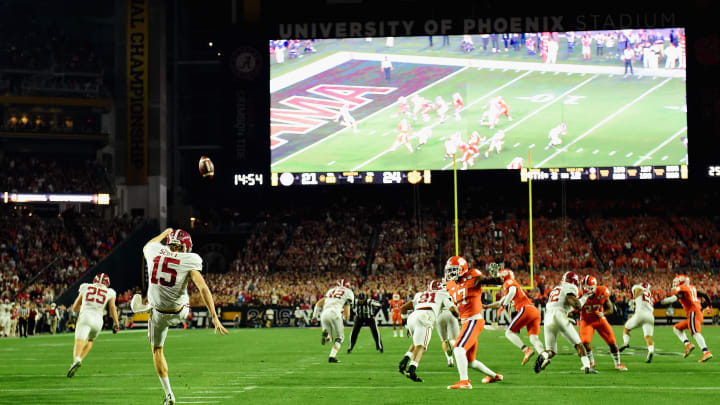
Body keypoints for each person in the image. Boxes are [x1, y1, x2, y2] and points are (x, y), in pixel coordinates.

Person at [131, 228, 229, 405]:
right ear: (186, 247)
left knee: (157, 350)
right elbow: (203, 288)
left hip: (159, 315)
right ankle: (148, 306)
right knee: (181, 293)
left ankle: (169, 394)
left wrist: (164, 233)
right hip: (180, 311)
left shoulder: (154, 251)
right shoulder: (190, 259)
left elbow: (148, 245)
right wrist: (214, 315)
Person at [444, 256, 503, 389]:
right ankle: (495, 376)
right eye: (449, 270)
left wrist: (495, 276)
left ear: (463, 269)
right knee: (470, 361)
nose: (451, 273)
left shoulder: (472, 275)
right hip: (466, 322)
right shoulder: (450, 285)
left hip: (474, 320)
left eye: (454, 270)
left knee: (459, 348)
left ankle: (464, 382)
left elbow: (493, 281)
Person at [534, 271, 597, 374]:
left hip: (548, 317)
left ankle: (543, 356)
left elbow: (564, 305)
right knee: (578, 344)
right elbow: (576, 304)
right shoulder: (570, 287)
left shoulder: (556, 289)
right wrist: (585, 297)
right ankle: (587, 367)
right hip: (559, 316)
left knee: (551, 351)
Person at [398, 281, 458, 382]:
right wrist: (458, 315)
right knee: (421, 347)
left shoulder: (420, 294)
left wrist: (405, 324)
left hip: (413, 317)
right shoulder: (443, 294)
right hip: (426, 316)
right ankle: (412, 370)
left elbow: (403, 308)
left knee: (417, 343)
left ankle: (405, 360)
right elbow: (452, 308)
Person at [485, 268, 544, 365]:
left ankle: (526, 350)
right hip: (534, 310)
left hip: (526, 309)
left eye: (499, 277)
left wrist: (504, 306)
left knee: (508, 333)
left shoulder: (509, 282)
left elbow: (511, 293)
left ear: (504, 276)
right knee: (534, 338)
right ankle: (543, 356)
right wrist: (487, 306)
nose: (498, 279)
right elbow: (500, 302)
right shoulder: (509, 285)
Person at [67, 273, 119, 377]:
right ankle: (79, 359)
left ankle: (76, 359)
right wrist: (116, 323)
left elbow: (75, 307)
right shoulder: (110, 292)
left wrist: (81, 308)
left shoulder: (85, 286)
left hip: (86, 316)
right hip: (98, 320)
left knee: (80, 339)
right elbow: (112, 308)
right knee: (90, 340)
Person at [660, 274, 713, 362]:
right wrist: (710, 305)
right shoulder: (692, 288)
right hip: (696, 313)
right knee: (676, 328)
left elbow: (673, 299)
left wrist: (661, 302)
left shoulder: (682, 289)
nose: (675, 284)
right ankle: (688, 344)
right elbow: (704, 294)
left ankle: (706, 352)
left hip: (694, 313)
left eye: (676, 282)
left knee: (695, 333)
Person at [579, 276, 627, 371]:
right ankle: (591, 361)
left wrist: (602, 313)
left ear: (593, 287)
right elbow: (573, 308)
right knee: (584, 342)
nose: (585, 289)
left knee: (612, 342)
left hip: (600, 320)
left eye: (587, 287)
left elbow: (611, 309)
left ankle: (617, 364)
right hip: (586, 320)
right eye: (583, 287)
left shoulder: (602, 291)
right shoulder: (579, 294)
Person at [312, 279, 354, 363]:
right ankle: (332, 357)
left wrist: (314, 317)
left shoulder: (331, 290)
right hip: (335, 313)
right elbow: (347, 313)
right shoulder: (348, 292)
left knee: (330, 339)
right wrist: (344, 317)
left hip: (324, 313)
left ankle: (327, 336)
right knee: (340, 338)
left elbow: (318, 304)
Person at [619, 283, 656, 362]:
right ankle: (651, 351)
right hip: (650, 316)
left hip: (640, 314)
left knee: (626, 328)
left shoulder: (637, 287)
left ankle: (626, 343)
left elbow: (639, 291)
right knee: (648, 336)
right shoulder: (649, 294)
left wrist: (633, 299)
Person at [435, 278, 461, 367]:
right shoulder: (455, 290)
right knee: (454, 339)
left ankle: (450, 359)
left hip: (439, 316)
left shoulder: (436, 293)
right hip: (450, 313)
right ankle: (458, 355)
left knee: (443, 340)